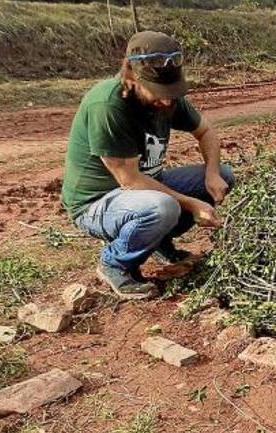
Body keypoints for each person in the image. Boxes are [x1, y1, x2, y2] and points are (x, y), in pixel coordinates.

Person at [61, 31, 235, 300]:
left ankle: (159, 243)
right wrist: (190, 204)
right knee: (162, 207)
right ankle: (114, 263)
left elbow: (206, 133)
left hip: (145, 191)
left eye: (171, 92)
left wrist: (212, 174)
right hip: (97, 203)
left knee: (224, 175)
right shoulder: (108, 105)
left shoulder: (168, 100)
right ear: (131, 76)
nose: (167, 101)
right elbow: (129, 180)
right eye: (159, 93)